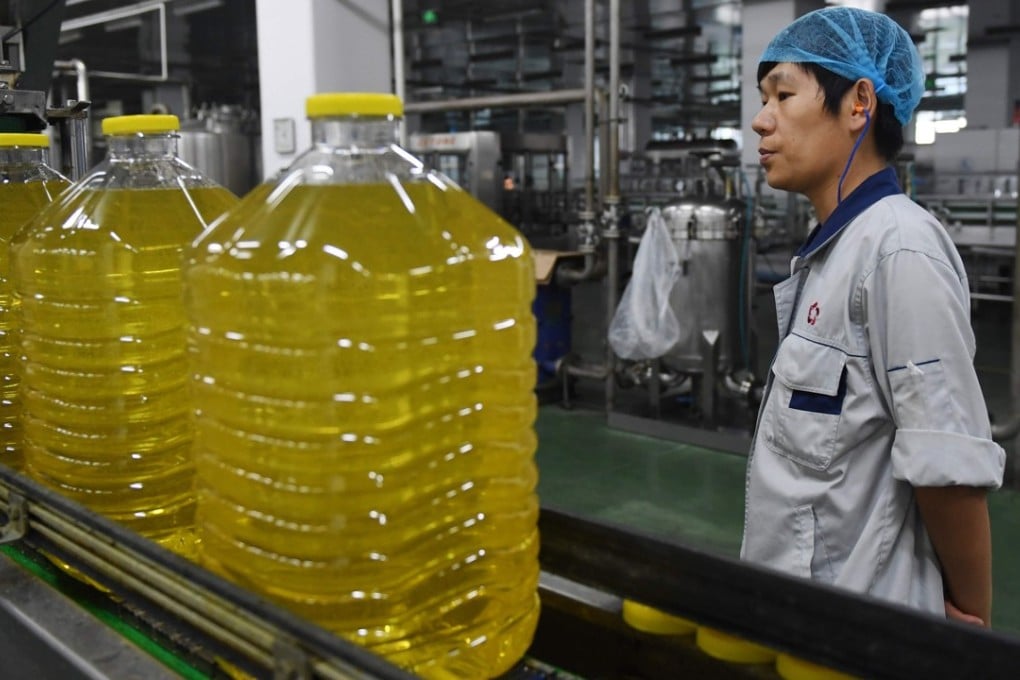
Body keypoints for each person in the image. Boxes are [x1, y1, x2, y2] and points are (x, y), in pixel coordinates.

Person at [741, 7, 1006, 628]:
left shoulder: (899, 249)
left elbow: (945, 464)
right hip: (798, 617)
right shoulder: (837, 247)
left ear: (859, 102)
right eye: (763, 98)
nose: (761, 119)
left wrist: (968, 617)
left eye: (783, 93)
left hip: (859, 627)